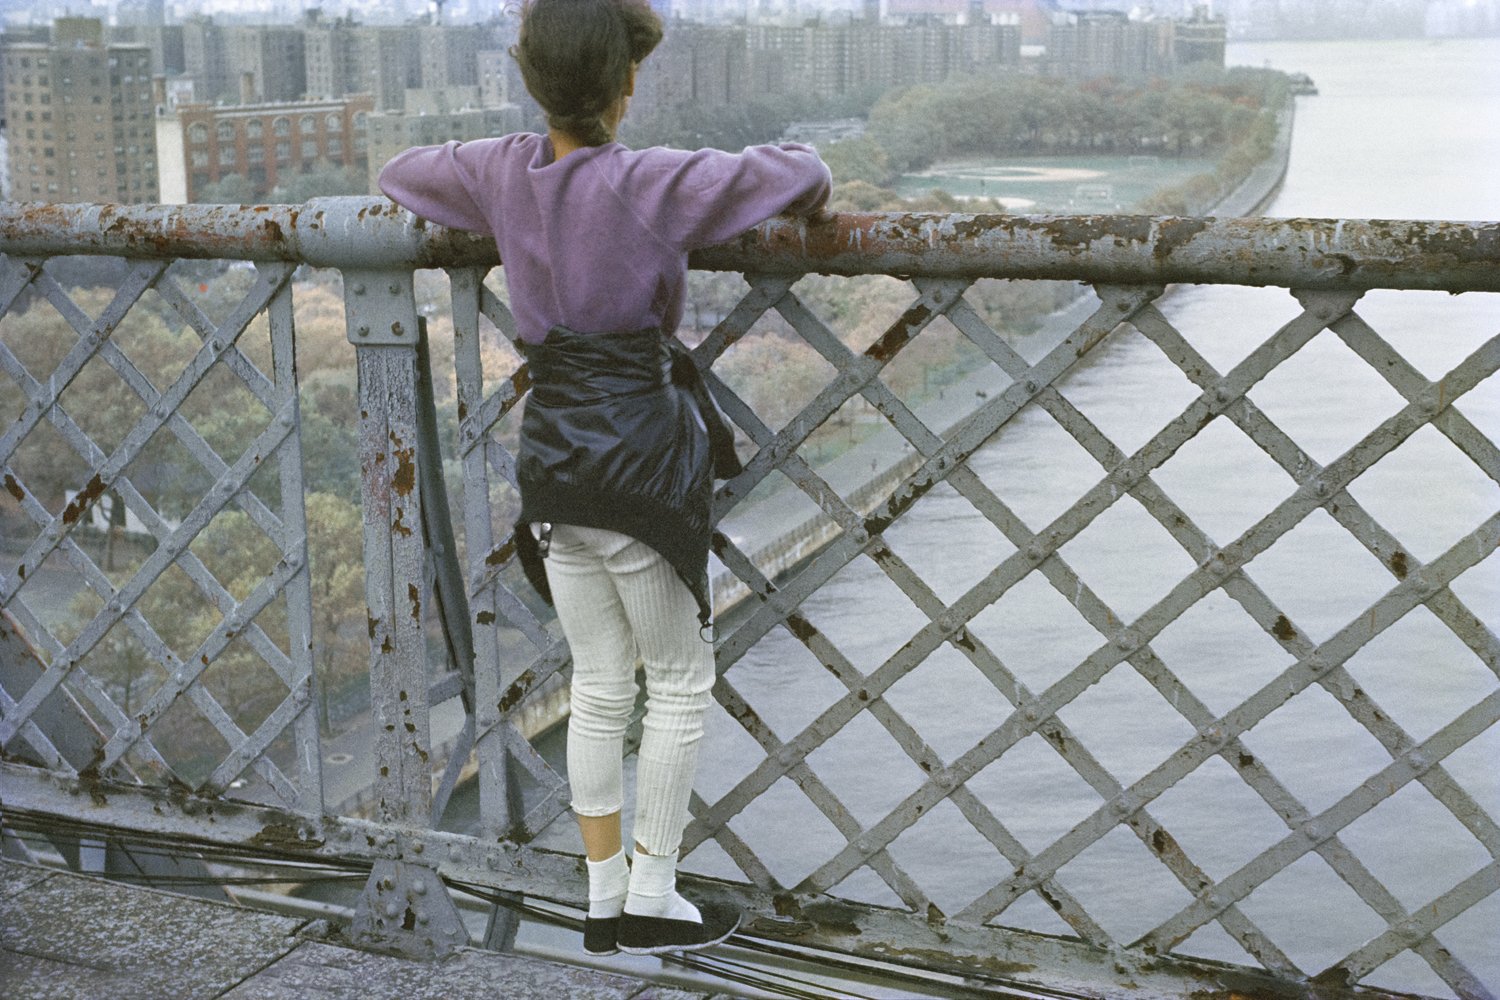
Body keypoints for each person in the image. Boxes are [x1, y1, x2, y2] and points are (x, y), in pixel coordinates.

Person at [378, 0, 831, 958]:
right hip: (638, 462)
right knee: (677, 681)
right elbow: (801, 172)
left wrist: (504, 166)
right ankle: (654, 896)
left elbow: (397, 173)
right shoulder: (654, 181)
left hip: (552, 466)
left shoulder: (503, 172)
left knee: (596, 685)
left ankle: (599, 897)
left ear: (529, 75)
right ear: (629, 83)